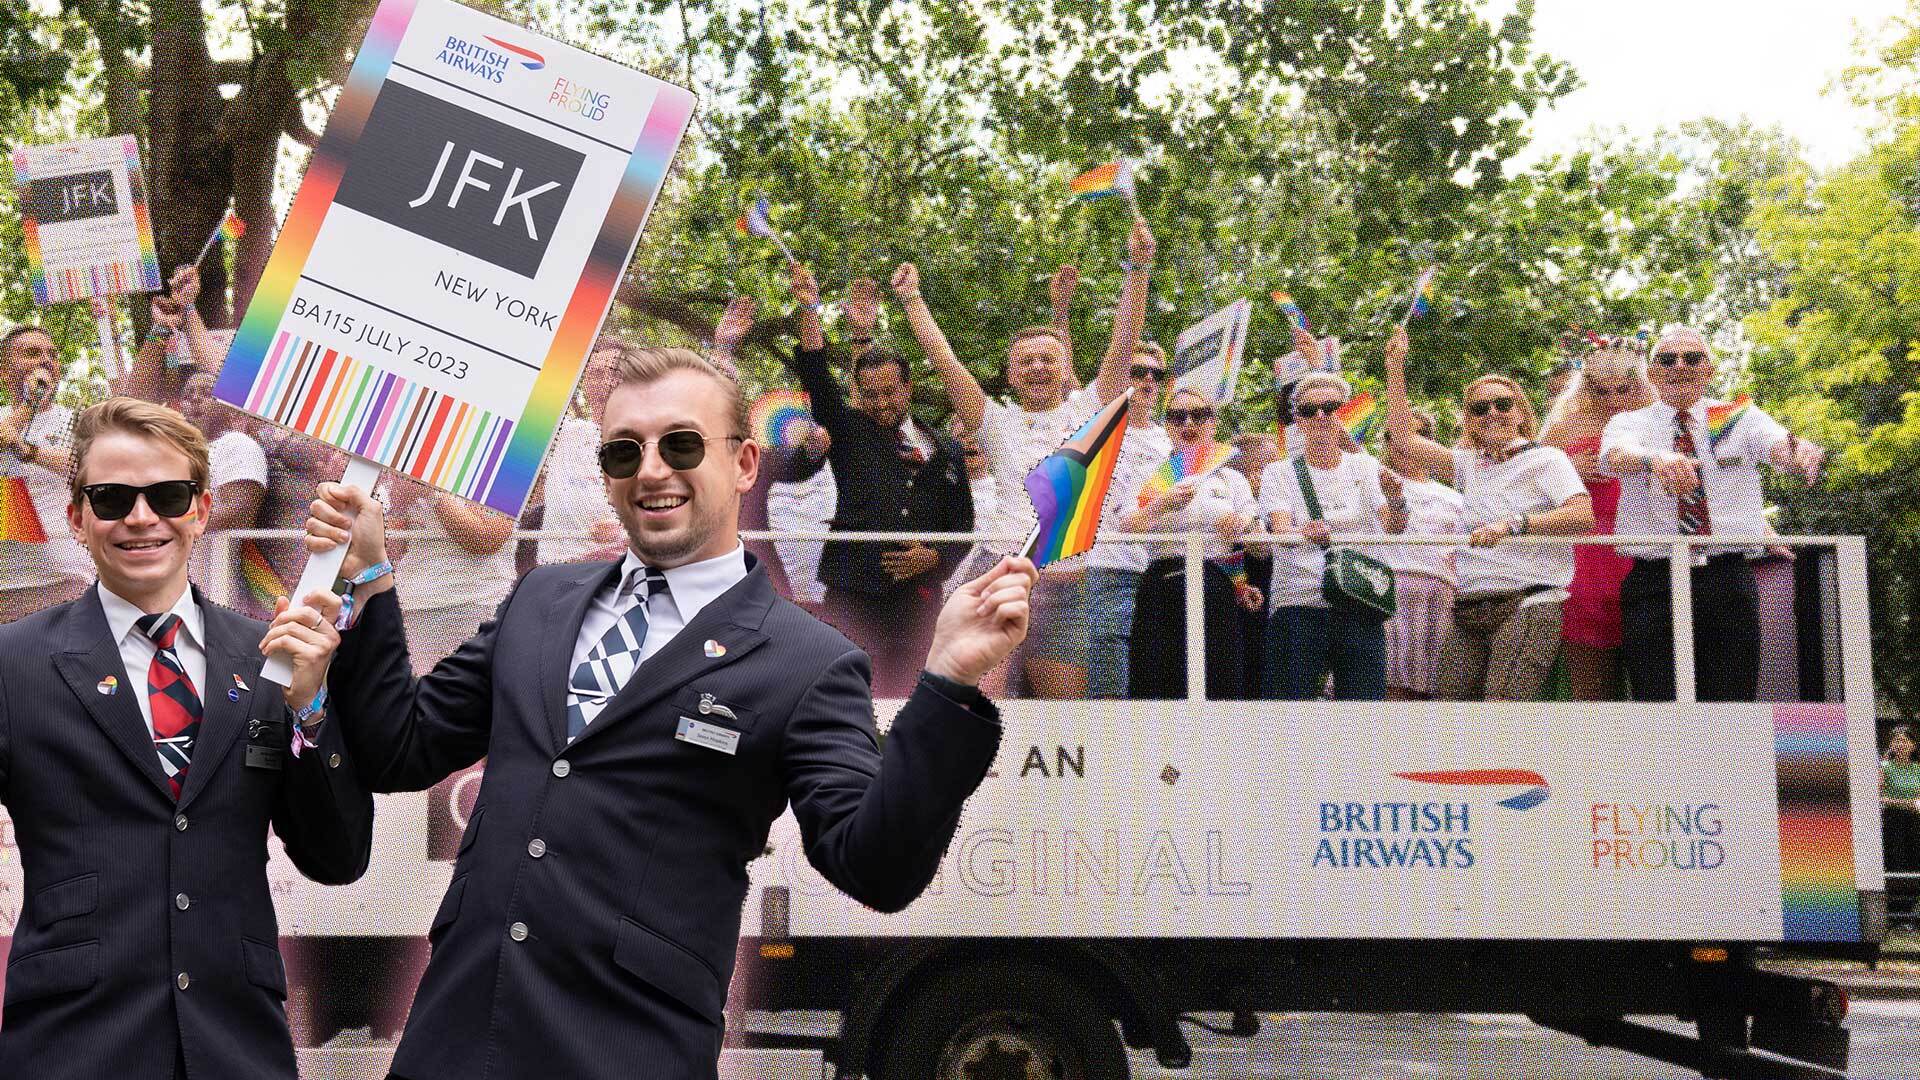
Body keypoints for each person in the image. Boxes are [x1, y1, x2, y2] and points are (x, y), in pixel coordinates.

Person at [293, 344, 1036, 1080]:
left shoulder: (807, 662)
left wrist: (945, 687)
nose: (651, 469)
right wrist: (373, 580)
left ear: (743, 464)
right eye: (624, 451)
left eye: (680, 443)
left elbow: (876, 867)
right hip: (453, 1045)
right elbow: (400, 749)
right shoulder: (540, 599)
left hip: (627, 1055)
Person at [0, 398, 373, 1079]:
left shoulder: (275, 657)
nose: (141, 518)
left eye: (167, 495)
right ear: (75, 516)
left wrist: (311, 706)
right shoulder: (12, 664)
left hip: (237, 1047)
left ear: (201, 509)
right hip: (72, 1047)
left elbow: (339, 855)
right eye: (112, 498)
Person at [912, 221, 1155, 698]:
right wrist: (914, 302)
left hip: (1066, 587)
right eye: (1026, 361)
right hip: (1001, 579)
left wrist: (1139, 268)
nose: (1039, 367)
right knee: (985, 707)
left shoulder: (1091, 410)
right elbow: (946, 362)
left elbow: (1123, 343)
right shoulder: (994, 420)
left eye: (1048, 359)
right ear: (1010, 374)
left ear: (1065, 367)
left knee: (1061, 723)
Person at [1598, 327, 1825, 702]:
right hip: (1655, 579)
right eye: (1667, 359)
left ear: (1710, 369)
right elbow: (1613, 458)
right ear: (1652, 373)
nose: (1680, 366)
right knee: (1656, 705)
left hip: (1726, 577)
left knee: (1730, 704)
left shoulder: (1736, 416)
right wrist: (1656, 460)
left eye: (1692, 358)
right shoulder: (1630, 423)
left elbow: (1776, 445)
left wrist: (1797, 453)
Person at [783, 262, 975, 696]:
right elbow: (817, 373)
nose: (880, 403)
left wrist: (935, 559)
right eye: (869, 394)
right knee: (847, 697)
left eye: (889, 392)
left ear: (907, 388)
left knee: (911, 699)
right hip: (853, 592)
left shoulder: (943, 445)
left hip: (918, 601)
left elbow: (963, 526)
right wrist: (809, 308)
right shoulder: (849, 429)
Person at [1383, 326, 1594, 701]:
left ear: (1520, 413)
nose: (1492, 413)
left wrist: (1513, 525)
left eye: (1502, 404)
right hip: (1469, 606)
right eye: (1480, 408)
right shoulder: (1469, 464)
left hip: (1527, 601)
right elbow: (1403, 440)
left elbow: (1582, 516)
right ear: (1470, 420)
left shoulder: (1546, 458)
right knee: (1450, 718)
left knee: (1500, 713)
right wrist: (1395, 365)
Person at [1259, 373, 1406, 700]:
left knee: (1364, 716)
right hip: (1299, 602)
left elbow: (1393, 526)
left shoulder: (1364, 466)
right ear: (1298, 419)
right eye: (1310, 410)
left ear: (1345, 412)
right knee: (1288, 714)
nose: (1321, 417)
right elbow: (1280, 530)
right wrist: (1302, 532)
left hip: (1358, 602)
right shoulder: (1279, 472)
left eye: (1331, 407)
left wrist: (1396, 499)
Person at [1124, 387, 1260, 699]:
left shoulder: (1231, 477)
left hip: (1216, 583)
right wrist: (1162, 503)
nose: (1188, 424)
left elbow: (1259, 541)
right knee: (1158, 687)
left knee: (1219, 686)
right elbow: (1128, 527)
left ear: (1213, 423)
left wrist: (1244, 524)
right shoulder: (1153, 472)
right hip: (1164, 584)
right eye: (1177, 417)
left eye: (1198, 416)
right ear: (1167, 425)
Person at [1541, 345, 1654, 700]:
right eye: (1601, 390)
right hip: (1585, 557)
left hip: (1640, 549)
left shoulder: (1654, 420)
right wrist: (1569, 470)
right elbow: (1530, 483)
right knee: (1591, 689)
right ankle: (1591, 755)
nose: (1613, 399)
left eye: (1623, 389)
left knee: (1655, 681)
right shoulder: (1563, 427)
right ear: (1585, 385)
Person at [1082, 341, 1174, 699]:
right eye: (1137, 371)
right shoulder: (1096, 429)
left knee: (1151, 668)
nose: (1148, 380)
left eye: (1156, 374)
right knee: (1106, 655)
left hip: (1158, 568)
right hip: (1105, 563)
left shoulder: (1170, 441)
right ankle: (1106, 748)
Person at [0, 324, 92, 622]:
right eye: (31, 353)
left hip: (68, 575)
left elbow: (91, 468)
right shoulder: (6, 417)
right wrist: (29, 405)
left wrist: (28, 451)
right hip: (7, 582)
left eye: (51, 355)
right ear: (3, 371)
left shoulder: (80, 419)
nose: (45, 361)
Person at [1378, 410, 1464, 700]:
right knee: (1389, 687)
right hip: (1387, 591)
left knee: (1434, 689)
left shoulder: (1455, 497)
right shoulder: (1372, 486)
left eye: (1415, 437)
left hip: (1440, 596)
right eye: (1394, 437)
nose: (1403, 445)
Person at [175, 369, 271, 612]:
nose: (195, 399)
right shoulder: (179, 454)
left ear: (227, 407)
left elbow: (237, 512)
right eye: (188, 395)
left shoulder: (237, 444)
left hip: (222, 582)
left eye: (206, 393)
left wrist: (172, 527)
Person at [1883, 724, 1920, 917]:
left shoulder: (1917, 769)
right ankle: (1895, 911)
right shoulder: (1884, 767)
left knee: (1914, 860)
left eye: (1905, 740)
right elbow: (1879, 797)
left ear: (1913, 745)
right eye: (1897, 741)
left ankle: (1910, 911)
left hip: (1914, 822)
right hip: (1892, 821)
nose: (1901, 744)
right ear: (1891, 745)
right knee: (1895, 860)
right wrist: (1905, 802)